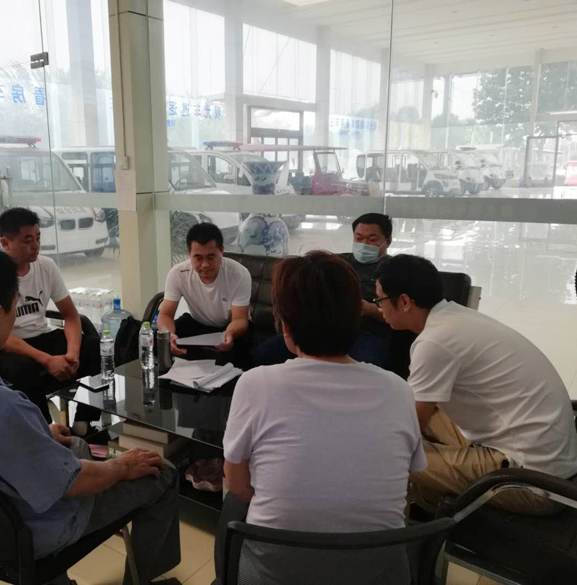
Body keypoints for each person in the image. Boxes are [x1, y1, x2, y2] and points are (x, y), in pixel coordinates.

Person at [0, 247, 181, 585]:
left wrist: (34, 437)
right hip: (21, 535)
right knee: (163, 472)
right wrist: (122, 466)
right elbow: (70, 483)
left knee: (76, 445)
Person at [215, 251, 425, 584]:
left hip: (276, 573)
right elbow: (405, 478)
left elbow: (240, 486)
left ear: (285, 326)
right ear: (356, 318)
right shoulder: (399, 390)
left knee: (232, 505)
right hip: (379, 572)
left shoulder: (255, 384)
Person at [375, 254, 577, 514]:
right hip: (546, 456)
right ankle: (430, 506)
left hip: (534, 481)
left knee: (388, 453)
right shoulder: (457, 317)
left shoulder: (435, 342)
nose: (379, 309)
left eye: (380, 300)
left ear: (404, 301)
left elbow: (410, 425)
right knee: (409, 425)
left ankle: (411, 526)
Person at [0, 207, 100, 422]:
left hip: (42, 336)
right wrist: (48, 360)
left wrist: (72, 354)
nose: (36, 246)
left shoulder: (46, 266)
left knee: (93, 346)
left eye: (38, 238)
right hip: (10, 345)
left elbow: (71, 316)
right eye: (27, 240)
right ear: (5, 243)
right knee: (22, 369)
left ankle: (84, 422)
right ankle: (45, 429)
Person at [254, 213, 401, 369]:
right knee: (265, 353)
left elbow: (403, 314)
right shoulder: (337, 263)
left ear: (387, 241)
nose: (364, 244)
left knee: (362, 366)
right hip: (321, 328)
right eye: (359, 238)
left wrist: (369, 309)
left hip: (366, 333)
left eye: (372, 240)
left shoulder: (395, 270)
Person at [157, 222, 252, 365]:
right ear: (189, 254)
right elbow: (165, 315)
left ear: (222, 251)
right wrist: (169, 335)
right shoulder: (178, 273)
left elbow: (240, 319)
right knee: (160, 341)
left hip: (230, 326)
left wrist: (229, 333)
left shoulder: (239, 274)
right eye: (198, 258)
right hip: (198, 323)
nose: (205, 265)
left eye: (211, 257)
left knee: (238, 353)